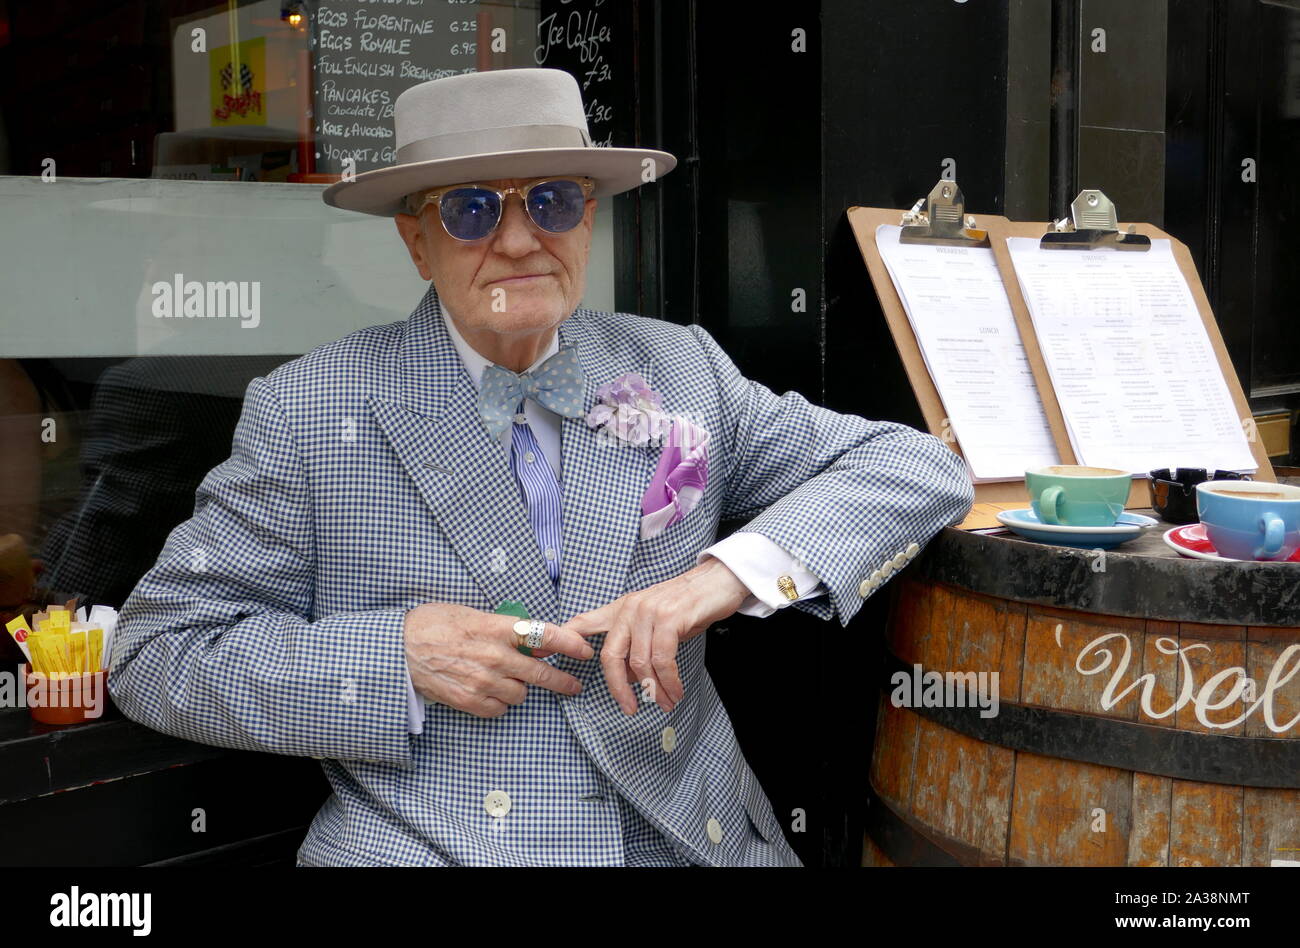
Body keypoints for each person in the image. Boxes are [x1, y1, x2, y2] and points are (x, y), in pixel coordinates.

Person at [108, 68, 974, 866]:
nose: (522, 241)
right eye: (473, 211)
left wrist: (719, 579)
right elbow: (158, 653)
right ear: (417, 241)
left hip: (686, 840)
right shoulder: (309, 410)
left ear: (589, 219)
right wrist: (397, 658)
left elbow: (915, 467)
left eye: (554, 201)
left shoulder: (679, 371)